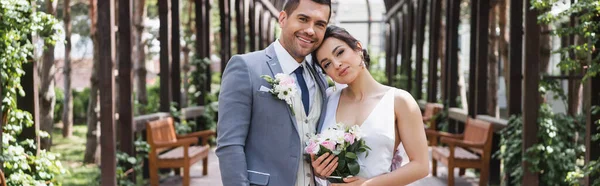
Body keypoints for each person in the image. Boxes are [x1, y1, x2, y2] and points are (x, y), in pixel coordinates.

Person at [216, 0, 332, 185]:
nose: (310, 30)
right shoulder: (246, 67)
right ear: (283, 18)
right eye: (303, 19)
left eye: (320, 24)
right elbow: (230, 145)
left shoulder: (320, 76)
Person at [310, 26, 429, 186]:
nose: (337, 64)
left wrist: (367, 185)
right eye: (327, 64)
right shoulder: (327, 100)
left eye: (340, 52)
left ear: (358, 48)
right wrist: (319, 169)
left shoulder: (399, 101)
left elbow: (421, 166)